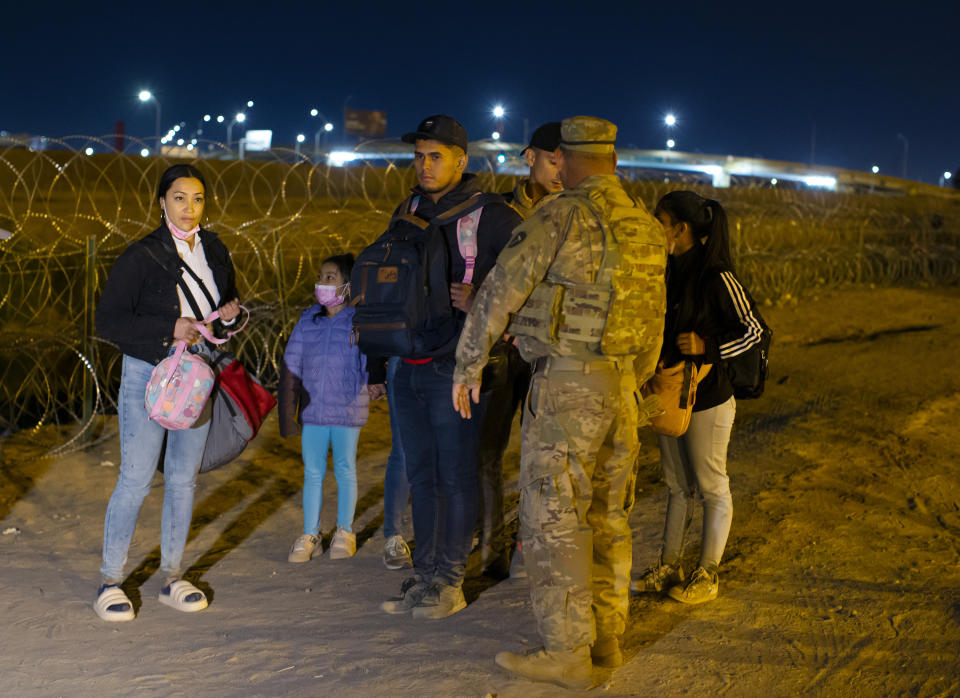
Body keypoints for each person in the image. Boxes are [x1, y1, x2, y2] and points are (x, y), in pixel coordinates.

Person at [452, 116, 666, 687]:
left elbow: (501, 289)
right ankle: (606, 639)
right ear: (613, 162)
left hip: (568, 386)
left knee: (554, 519)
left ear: (568, 161)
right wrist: (632, 380)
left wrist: (468, 362)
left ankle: (568, 651)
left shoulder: (561, 213)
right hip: (622, 388)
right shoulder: (645, 227)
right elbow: (655, 318)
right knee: (608, 514)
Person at [380, 115, 521, 619]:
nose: (423, 165)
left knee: (456, 475)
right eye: (418, 156)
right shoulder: (408, 210)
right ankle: (426, 576)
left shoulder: (493, 216)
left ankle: (450, 581)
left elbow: (530, 286)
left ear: (462, 160)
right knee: (421, 473)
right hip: (408, 363)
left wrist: (481, 299)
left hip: (457, 367)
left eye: (434, 156)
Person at [93, 163, 241, 621]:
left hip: (196, 379)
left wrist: (231, 318)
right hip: (147, 375)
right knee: (136, 479)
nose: (189, 208)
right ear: (161, 202)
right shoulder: (142, 255)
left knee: (182, 480)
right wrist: (168, 329)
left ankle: (173, 577)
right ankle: (110, 582)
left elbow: (226, 305)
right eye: (179, 197)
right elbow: (108, 322)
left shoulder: (214, 248)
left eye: (197, 198)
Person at [630, 190, 763, 604]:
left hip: (708, 398)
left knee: (710, 485)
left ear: (680, 229)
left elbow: (755, 331)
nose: (655, 225)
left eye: (660, 219)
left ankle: (708, 573)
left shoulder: (717, 276)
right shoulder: (663, 270)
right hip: (667, 396)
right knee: (675, 485)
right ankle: (670, 565)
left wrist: (707, 346)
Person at [476, 121, 564, 577]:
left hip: (546, 351)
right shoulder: (497, 213)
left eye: (567, 161)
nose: (560, 169)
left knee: (539, 455)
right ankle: (490, 547)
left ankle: (527, 547)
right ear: (530, 157)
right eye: (553, 159)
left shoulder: (574, 213)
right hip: (500, 353)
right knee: (486, 454)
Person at [278, 254, 385, 563]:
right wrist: (288, 413)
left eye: (330, 278)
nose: (322, 283)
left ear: (347, 286)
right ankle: (311, 533)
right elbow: (291, 368)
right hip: (312, 413)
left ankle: (345, 531)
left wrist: (375, 383)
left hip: (347, 412)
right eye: (321, 277)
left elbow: (368, 361)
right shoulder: (307, 321)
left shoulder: (357, 322)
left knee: (345, 469)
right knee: (312, 472)